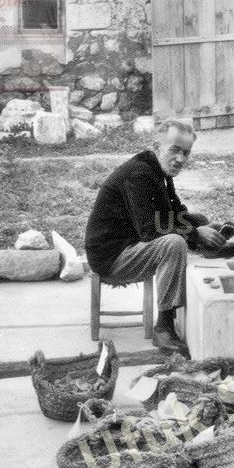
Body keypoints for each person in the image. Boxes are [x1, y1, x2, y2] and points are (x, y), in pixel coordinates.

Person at [85, 118, 223, 355]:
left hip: (128, 243)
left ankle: (210, 249)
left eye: (186, 153)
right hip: (111, 257)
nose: (180, 159)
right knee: (173, 243)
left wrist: (200, 228)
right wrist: (195, 234)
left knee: (197, 219)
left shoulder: (158, 170)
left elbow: (174, 212)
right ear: (156, 146)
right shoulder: (139, 175)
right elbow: (150, 231)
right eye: (175, 150)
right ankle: (164, 327)